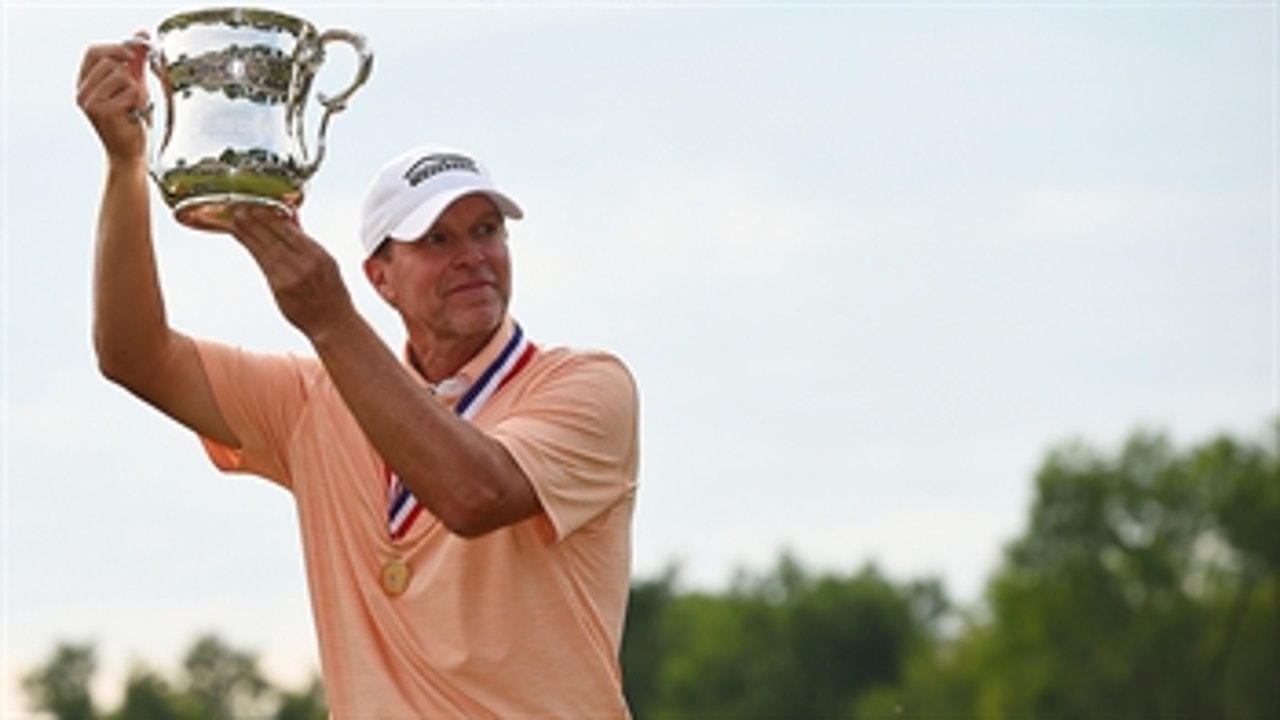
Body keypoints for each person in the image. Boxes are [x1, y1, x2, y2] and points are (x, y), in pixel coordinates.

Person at [77, 37, 639, 718]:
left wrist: (330, 319)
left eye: (487, 230)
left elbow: (475, 492)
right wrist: (124, 163)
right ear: (381, 278)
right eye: (436, 239)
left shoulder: (588, 385)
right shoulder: (314, 398)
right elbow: (133, 354)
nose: (473, 257)